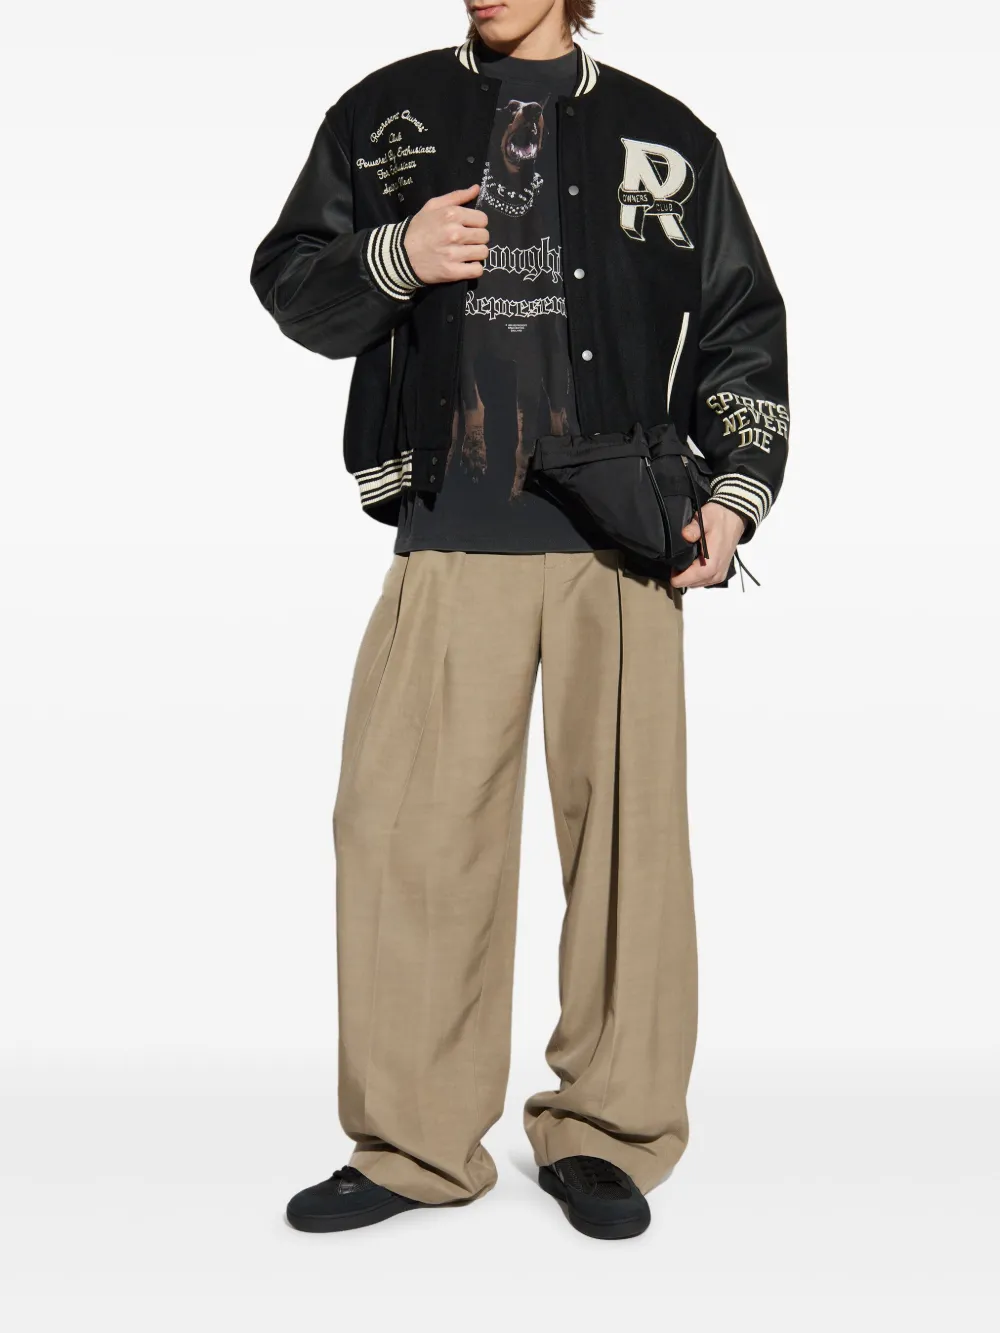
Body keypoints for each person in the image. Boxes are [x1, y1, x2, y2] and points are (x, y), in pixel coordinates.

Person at [250, 0, 788, 1240]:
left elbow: (741, 324)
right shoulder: (384, 113)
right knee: (402, 839)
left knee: (629, 853)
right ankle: (413, 1146)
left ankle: (608, 1132)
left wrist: (734, 496)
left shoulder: (667, 139)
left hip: (621, 545)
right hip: (452, 532)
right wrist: (394, 255)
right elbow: (292, 287)